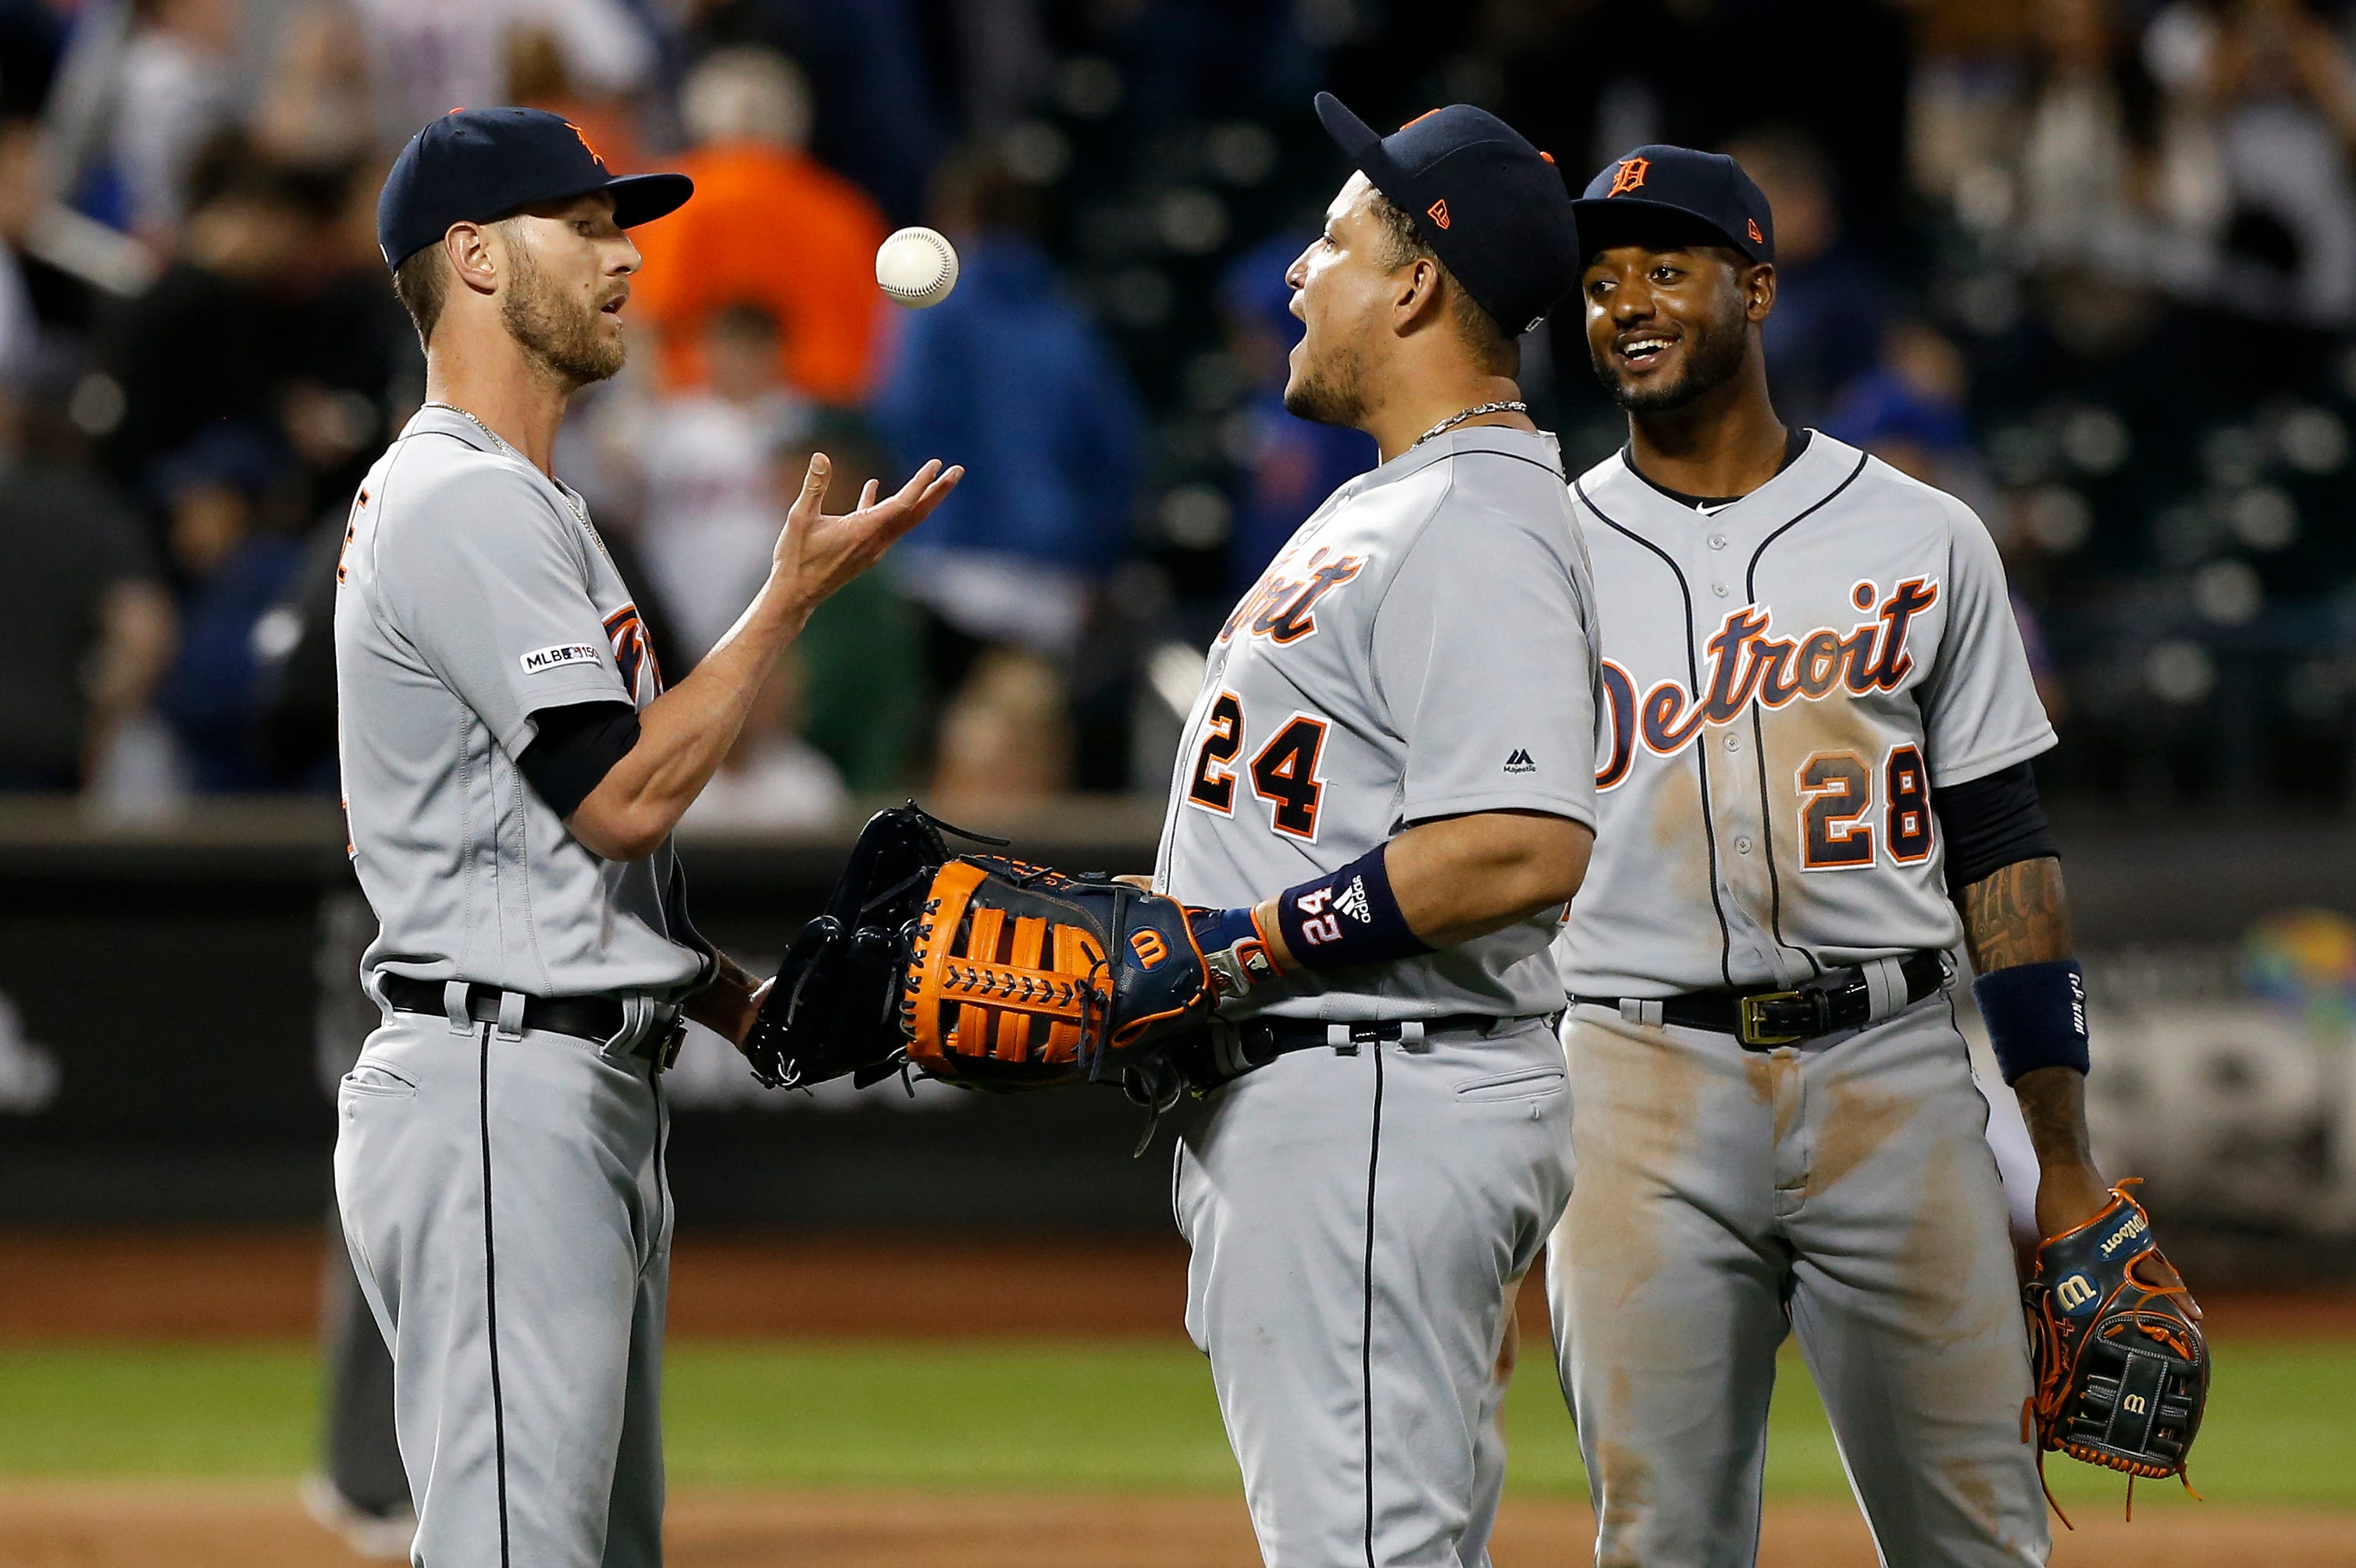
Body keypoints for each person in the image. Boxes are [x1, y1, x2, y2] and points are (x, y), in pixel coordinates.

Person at [332, 107, 957, 1567]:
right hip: (500, 1084)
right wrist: (783, 602)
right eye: (586, 225)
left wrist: (731, 996)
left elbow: (562, 854)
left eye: (624, 225)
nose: (625, 257)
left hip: (566, 1071)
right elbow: (617, 794)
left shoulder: (526, 498)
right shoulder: (463, 496)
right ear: (474, 258)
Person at [1547, 144, 2156, 1566]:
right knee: (1660, 1542)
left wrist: (2059, 1159)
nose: (1626, 300)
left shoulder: (1924, 533)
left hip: (1890, 1068)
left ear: (1757, 285)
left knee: (1978, 1537)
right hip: (1634, 1081)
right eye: (1598, 279)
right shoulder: (1544, 552)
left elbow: (2003, 845)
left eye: (1667, 265)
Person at [1156, 94, 1597, 1567]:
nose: (1297, 270)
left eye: (1333, 240)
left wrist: (1245, 944)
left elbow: (1522, 841)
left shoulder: (1474, 515)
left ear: (1415, 282)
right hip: (1344, 1091)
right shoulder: (1400, 503)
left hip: (1370, 1094)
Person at [627, 46, 888, 402]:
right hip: (823, 414)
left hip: (696, 404)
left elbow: (646, 319)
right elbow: (879, 335)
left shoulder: (674, 201)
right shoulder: (843, 209)